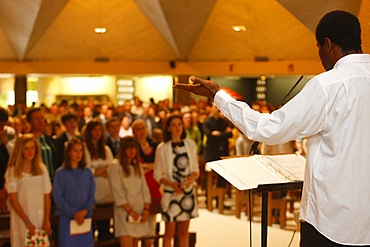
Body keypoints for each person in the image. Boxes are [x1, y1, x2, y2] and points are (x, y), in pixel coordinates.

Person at [173, 10, 370, 246]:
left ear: (327, 44)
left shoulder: (328, 86)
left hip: (332, 222)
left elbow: (269, 129)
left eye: (318, 47)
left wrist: (219, 96)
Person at [154, 115, 199, 247]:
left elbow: (195, 169)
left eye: (179, 124)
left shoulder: (190, 144)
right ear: (168, 128)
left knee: (184, 232)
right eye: (173, 125)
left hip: (187, 192)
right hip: (171, 193)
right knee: (169, 232)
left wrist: (191, 178)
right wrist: (171, 184)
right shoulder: (162, 148)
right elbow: (157, 175)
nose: (177, 128)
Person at [4, 134, 53, 247]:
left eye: (32, 148)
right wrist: (26, 221)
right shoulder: (13, 171)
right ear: (20, 150)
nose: (30, 152)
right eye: (26, 148)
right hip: (21, 218)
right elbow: (13, 199)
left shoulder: (42, 169)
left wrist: (46, 219)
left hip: (39, 217)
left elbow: (47, 196)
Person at [108, 136, 151, 247]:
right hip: (124, 212)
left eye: (133, 147)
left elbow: (144, 188)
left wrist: (146, 208)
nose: (131, 151)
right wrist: (130, 211)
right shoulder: (115, 166)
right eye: (128, 148)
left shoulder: (137, 165)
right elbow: (117, 191)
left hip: (139, 209)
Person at [53, 138, 95, 247]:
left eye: (80, 150)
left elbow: (91, 195)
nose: (78, 154)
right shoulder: (60, 174)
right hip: (67, 219)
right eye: (75, 151)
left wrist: (84, 211)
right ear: (69, 153)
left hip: (85, 218)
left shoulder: (87, 172)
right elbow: (58, 197)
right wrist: (74, 213)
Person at [132, 119, 161, 247]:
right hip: (137, 189)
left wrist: (145, 166)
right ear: (133, 132)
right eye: (138, 129)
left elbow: (159, 165)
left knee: (151, 223)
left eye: (143, 128)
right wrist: (149, 166)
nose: (141, 131)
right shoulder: (131, 147)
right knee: (137, 223)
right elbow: (134, 167)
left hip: (154, 187)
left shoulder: (154, 145)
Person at [83, 119, 114, 241]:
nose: (97, 132)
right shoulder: (84, 149)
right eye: (94, 130)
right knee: (89, 229)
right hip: (92, 193)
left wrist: (97, 170)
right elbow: (86, 169)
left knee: (104, 229)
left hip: (106, 193)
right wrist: (99, 171)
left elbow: (111, 168)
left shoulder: (106, 149)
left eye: (99, 129)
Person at [0, 107, 15, 213]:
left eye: (4, 126)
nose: (3, 130)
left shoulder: (6, 139)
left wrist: (5, 142)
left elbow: (13, 159)